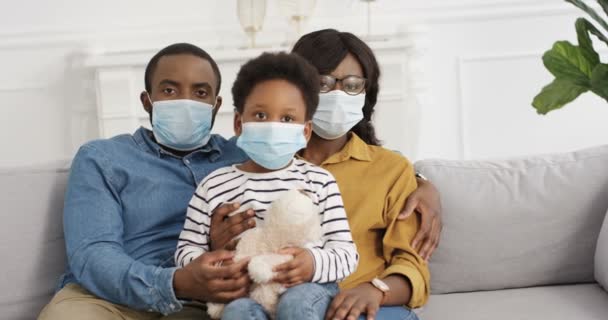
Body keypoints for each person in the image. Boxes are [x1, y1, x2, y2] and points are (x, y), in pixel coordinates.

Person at [38, 41, 441, 320]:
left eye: (199, 93)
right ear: (147, 101)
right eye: (169, 90)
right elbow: (93, 254)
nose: (185, 101)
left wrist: (423, 180)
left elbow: (321, 163)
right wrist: (180, 279)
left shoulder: (248, 153)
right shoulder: (103, 158)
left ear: (216, 107)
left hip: (203, 299)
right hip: (113, 296)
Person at [210, 29, 432, 320]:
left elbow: (412, 264)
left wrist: (375, 289)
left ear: (366, 94)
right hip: (271, 302)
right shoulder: (255, 161)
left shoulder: (390, 169)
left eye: (353, 85)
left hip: (357, 309)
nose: (338, 94)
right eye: (323, 83)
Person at [177, 52, 358, 320]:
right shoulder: (213, 186)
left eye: (287, 119)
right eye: (260, 115)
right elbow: (185, 251)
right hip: (245, 294)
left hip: (307, 288)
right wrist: (214, 265)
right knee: (237, 312)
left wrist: (312, 264)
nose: (273, 126)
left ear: (305, 131)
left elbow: (346, 253)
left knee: (296, 304)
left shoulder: (319, 181)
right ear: (239, 123)